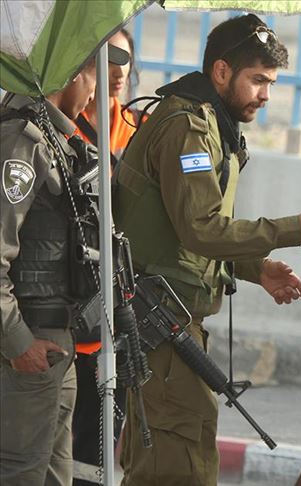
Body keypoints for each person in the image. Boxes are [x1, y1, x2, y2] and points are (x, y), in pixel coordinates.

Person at [113, 14, 301, 485]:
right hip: (160, 322)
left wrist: (256, 268)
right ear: (221, 72)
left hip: (172, 320)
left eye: (271, 83)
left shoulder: (211, 122)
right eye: (257, 80)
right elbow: (200, 228)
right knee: (177, 465)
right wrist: (291, 229)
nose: (265, 95)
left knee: (174, 452)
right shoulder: (188, 127)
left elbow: (187, 229)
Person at [1, 45, 130, 486]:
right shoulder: (23, 140)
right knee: (21, 473)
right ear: (72, 75)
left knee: (56, 474)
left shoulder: (59, 139)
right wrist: (18, 343)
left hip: (57, 339)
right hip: (27, 339)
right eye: (93, 77)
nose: (95, 92)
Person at [71, 29, 137, 486]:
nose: (117, 71)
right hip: (67, 321)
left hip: (120, 319)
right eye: (106, 57)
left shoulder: (140, 133)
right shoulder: (61, 130)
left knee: (101, 458)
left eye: (125, 59)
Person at [74, 28, 140, 164]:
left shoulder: (141, 125)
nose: (120, 73)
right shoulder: (66, 126)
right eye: (110, 61)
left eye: (125, 60)